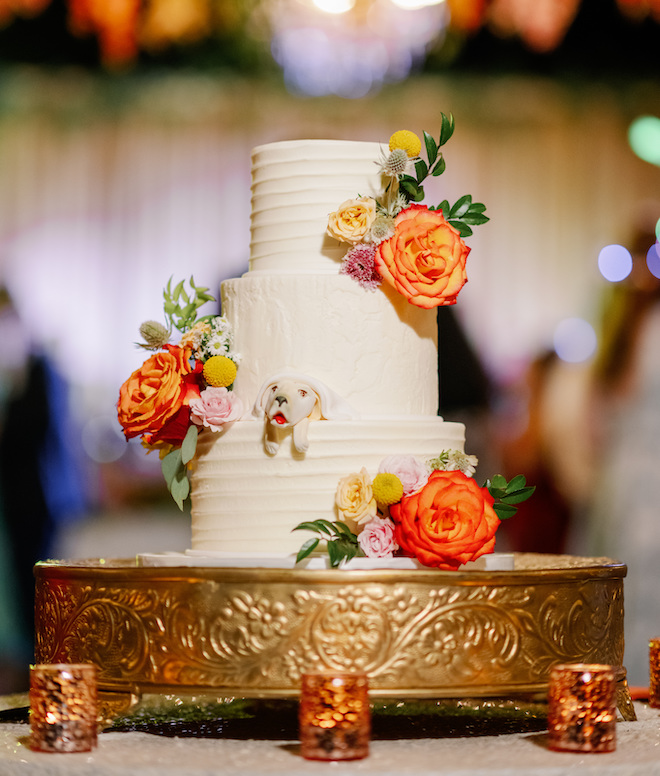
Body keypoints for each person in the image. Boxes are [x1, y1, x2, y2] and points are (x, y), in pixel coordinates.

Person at [586, 219, 660, 688]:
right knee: (628, 583)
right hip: (631, 476)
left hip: (634, 473)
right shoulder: (626, 326)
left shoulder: (627, 326)